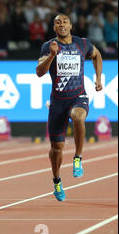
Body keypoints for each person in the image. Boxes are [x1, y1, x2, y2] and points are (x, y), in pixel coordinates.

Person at [36, 14, 103, 201]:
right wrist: (52, 55)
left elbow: (97, 56)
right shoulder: (48, 46)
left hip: (78, 96)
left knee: (79, 117)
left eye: (65, 21)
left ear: (71, 25)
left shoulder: (83, 44)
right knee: (56, 149)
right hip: (57, 102)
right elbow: (40, 73)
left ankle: (78, 158)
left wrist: (98, 78)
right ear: (54, 28)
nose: (62, 24)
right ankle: (56, 180)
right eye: (58, 22)